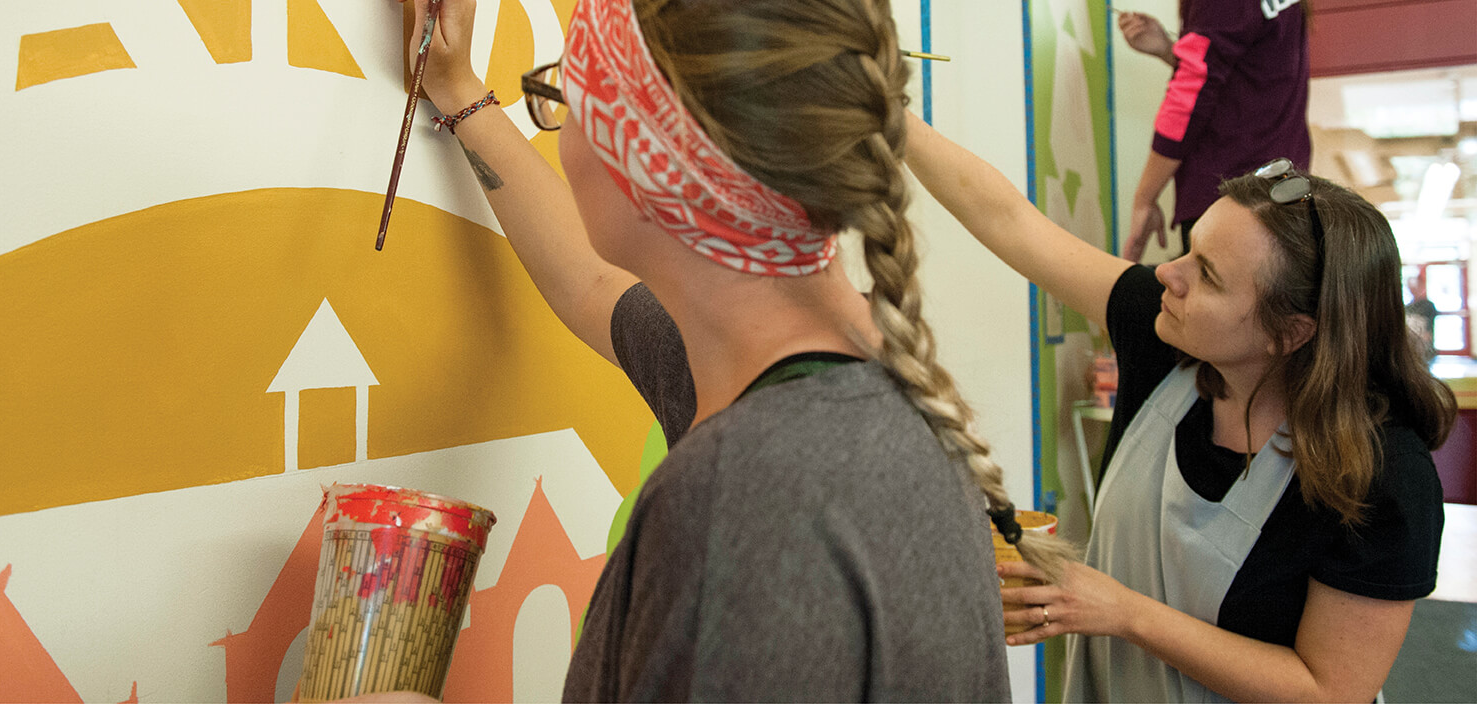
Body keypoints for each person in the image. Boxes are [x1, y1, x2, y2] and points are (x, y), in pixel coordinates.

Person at [403, 0, 1072, 699]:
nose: (562, 125)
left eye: (567, 95)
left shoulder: (737, 497)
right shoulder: (840, 388)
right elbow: (591, 283)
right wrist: (456, 88)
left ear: (654, 165)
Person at [905, 114, 1452, 702]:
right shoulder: (1164, 333)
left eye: (1208, 276)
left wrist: (1122, 612)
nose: (1169, 273)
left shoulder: (1383, 474)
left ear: (1290, 333)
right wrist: (889, 112)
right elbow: (1008, 220)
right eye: (1189, 251)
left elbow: (1328, 689)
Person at [1118, 1, 1312, 261]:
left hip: (1231, 197)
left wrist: (1144, 198)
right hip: (1276, 192)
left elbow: (1190, 95)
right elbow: (1248, 77)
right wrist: (1169, 50)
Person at [1405, 271, 1438, 365]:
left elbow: (1426, 333)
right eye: (1410, 288)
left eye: (1414, 287)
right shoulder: (1408, 307)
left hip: (1423, 350)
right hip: (1412, 351)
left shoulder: (1428, 306)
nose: (1412, 290)